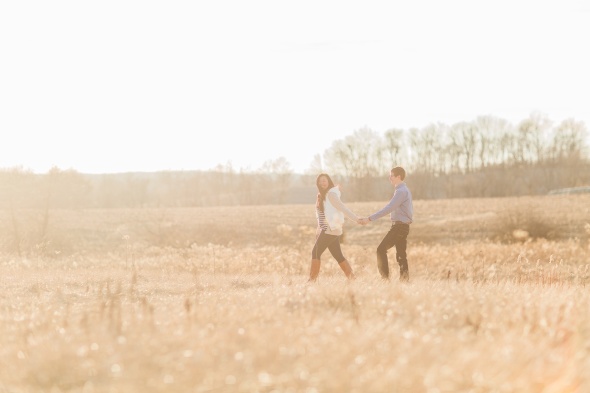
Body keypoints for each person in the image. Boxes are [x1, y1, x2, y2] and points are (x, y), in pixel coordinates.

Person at [359, 166, 413, 282]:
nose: (390, 178)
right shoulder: (404, 190)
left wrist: (369, 219)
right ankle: (405, 280)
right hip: (403, 226)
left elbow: (388, 208)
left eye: (391, 175)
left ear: (398, 177)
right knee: (401, 255)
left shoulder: (401, 191)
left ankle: (385, 279)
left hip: (399, 226)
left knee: (380, 249)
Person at [309, 173, 360, 282]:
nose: (322, 182)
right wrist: (318, 230)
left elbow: (342, 207)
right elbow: (320, 216)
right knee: (338, 255)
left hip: (330, 229)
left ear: (328, 181)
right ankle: (352, 278)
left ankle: (312, 280)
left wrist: (356, 219)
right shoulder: (320, 196)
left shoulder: (331, 194)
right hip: (327, 229)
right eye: (320, 181)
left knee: (315, 252)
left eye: (324, 180)